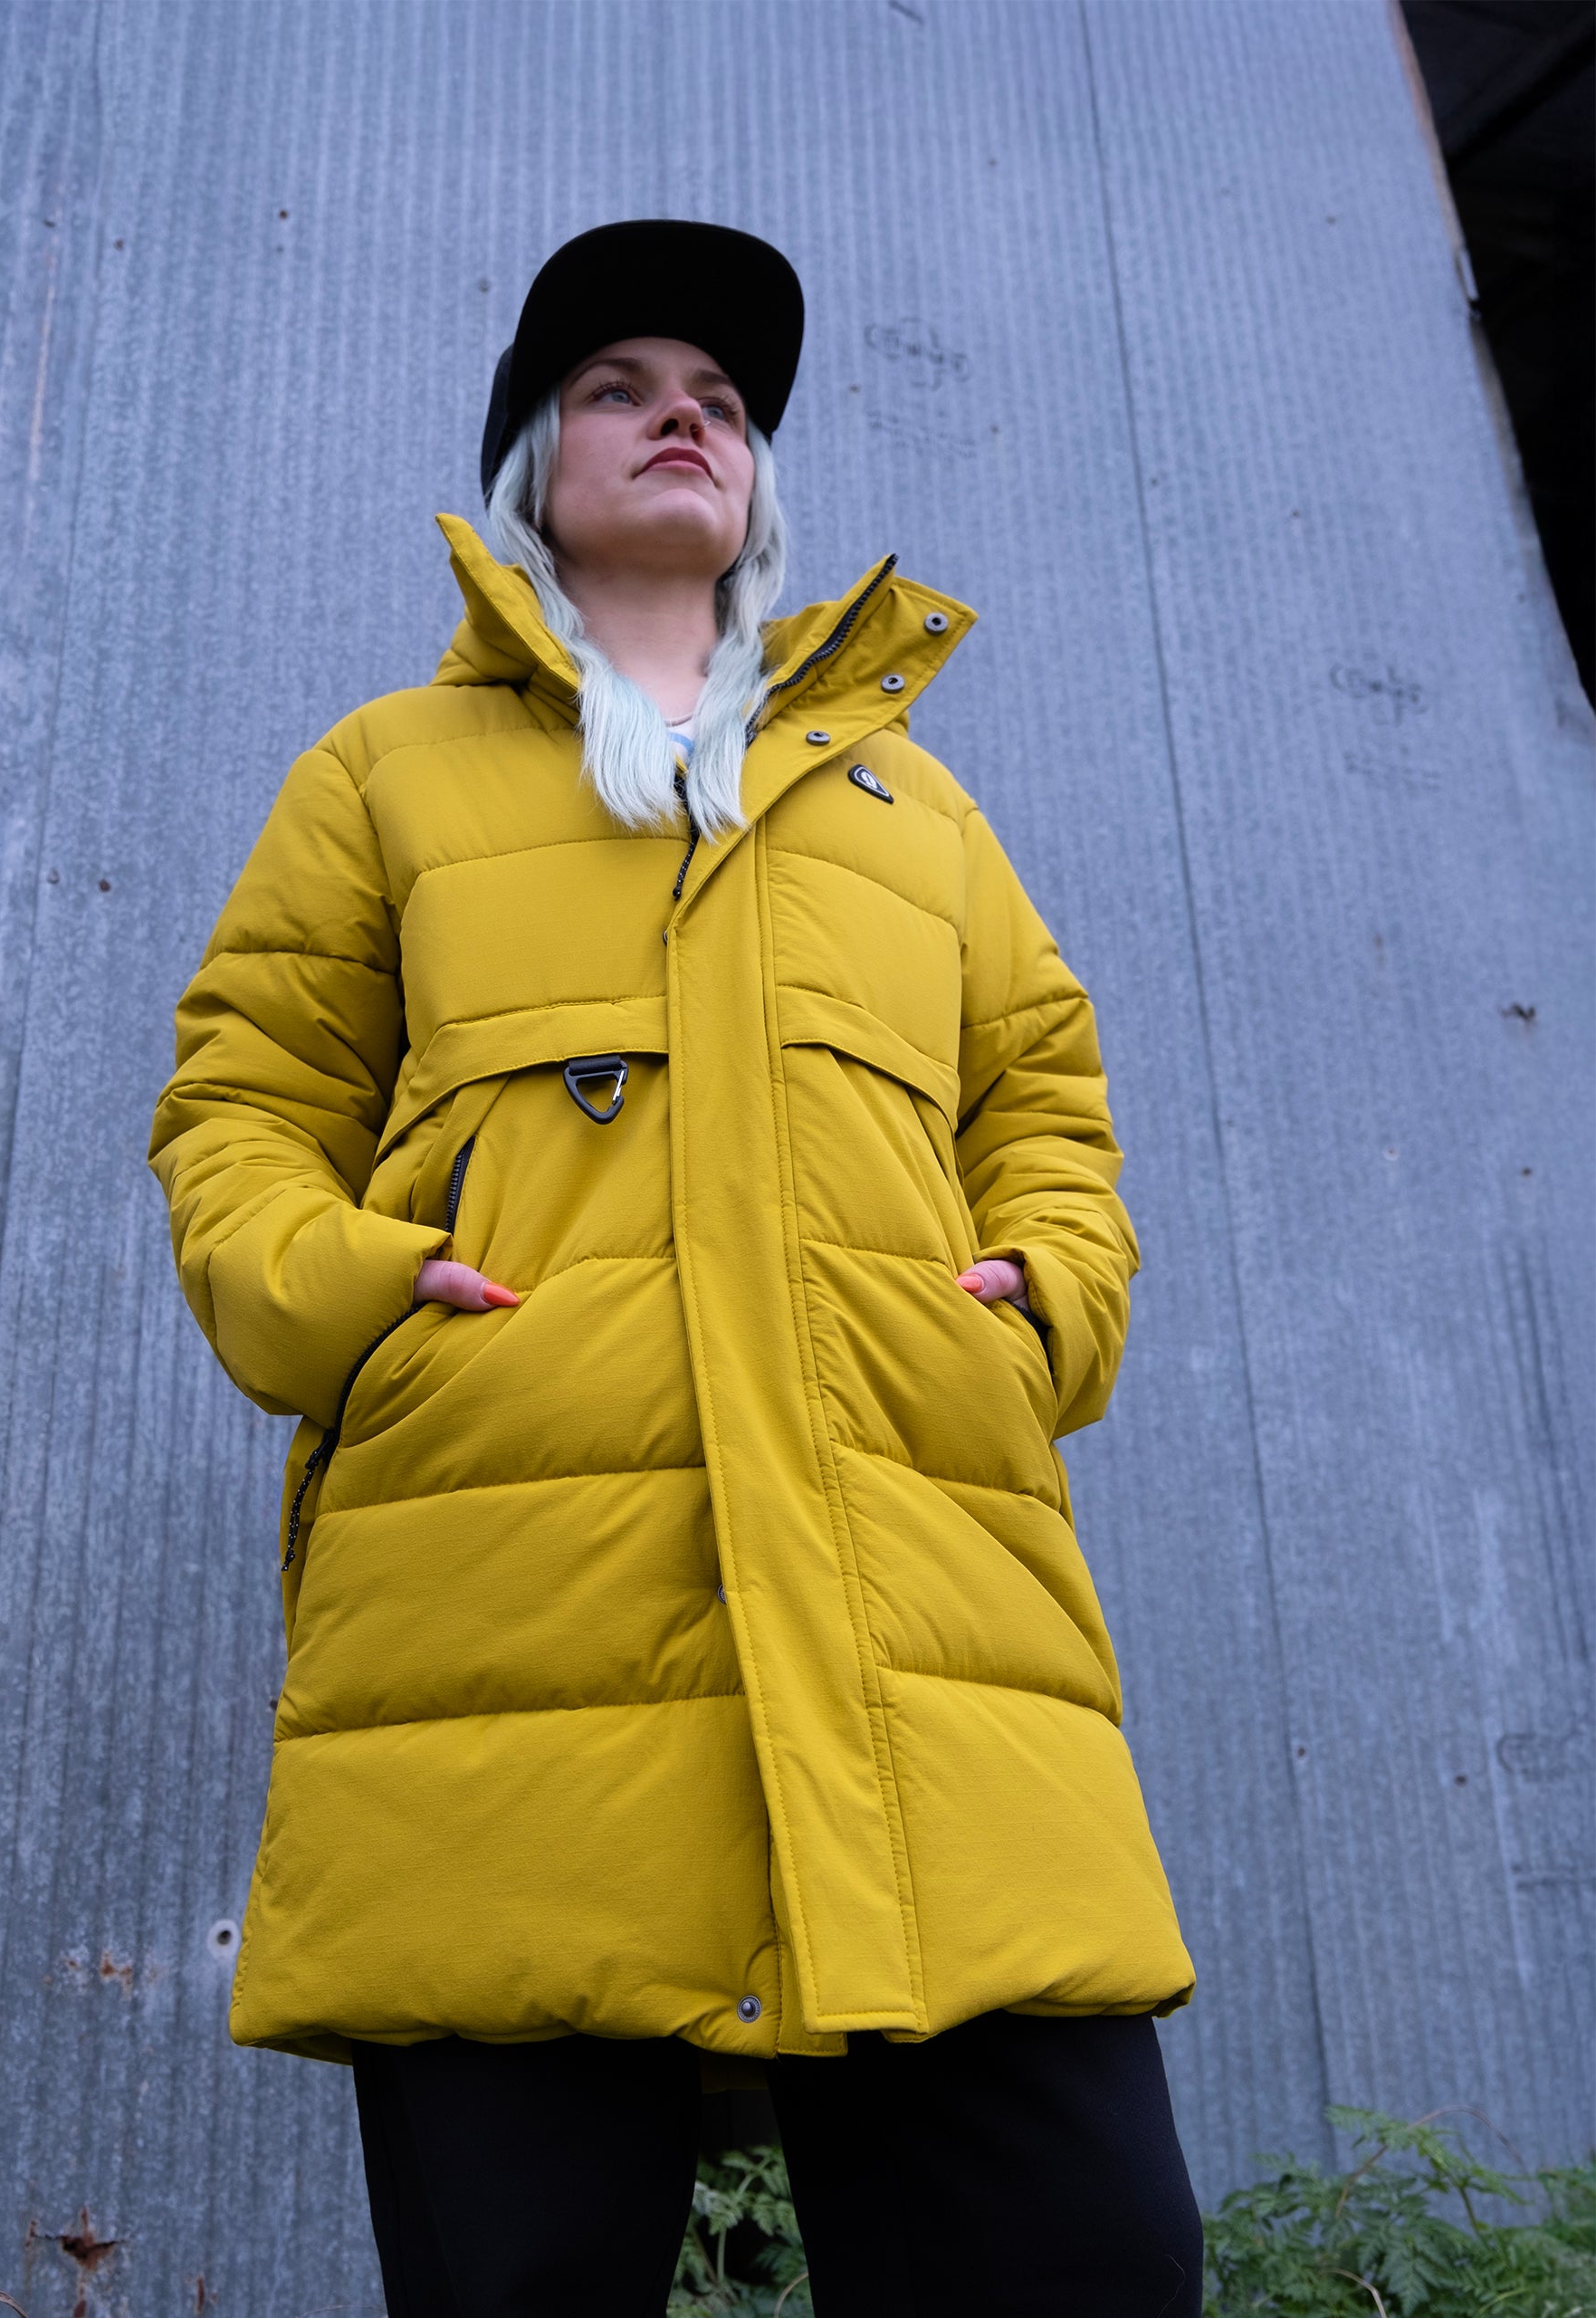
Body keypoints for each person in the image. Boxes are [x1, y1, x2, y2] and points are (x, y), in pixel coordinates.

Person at [148, 219, 1202, 2317]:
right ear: (536, 456)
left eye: (719, 400)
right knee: (525, 2268)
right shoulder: (386, 774)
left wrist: (1038, 1311)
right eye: (622, 384)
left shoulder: (915, 809)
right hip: (508, 1604)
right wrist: (365, 1299)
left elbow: (1048, 1111)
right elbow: (241, 1107)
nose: (684, 417)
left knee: (1075, 2257)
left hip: (922, 1621)